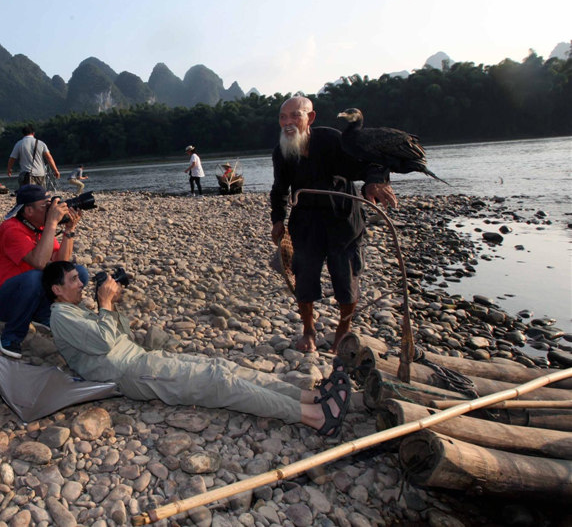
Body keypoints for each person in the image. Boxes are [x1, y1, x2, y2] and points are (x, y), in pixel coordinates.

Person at [43, 260, 350, 436]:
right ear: (57, 289)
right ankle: (315, 417)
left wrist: (112, 304)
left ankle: (311, 396)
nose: (81, 284)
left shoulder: (75, 310)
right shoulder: (61, 317)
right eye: (74, 280)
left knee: (224, 368)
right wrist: (105, 303)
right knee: (218, 383)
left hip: (142, 360)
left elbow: (120, 333)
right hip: (131, 374)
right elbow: (104, 341)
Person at [270, 95, 397, 354]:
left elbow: (371, 161)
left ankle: (342, 331)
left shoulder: (333, 140)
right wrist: (278, 219)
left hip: (343, 220)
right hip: (306, 222)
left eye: (295, 115)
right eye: (283, 117)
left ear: (310, 118)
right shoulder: (282, 150)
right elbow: (280, 188)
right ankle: (309, 330)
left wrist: (374, 182)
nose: (287, 122)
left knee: (346, 279)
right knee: (303, 278)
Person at [0, 185, 89, 359]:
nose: (51, 209)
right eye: (45, 206)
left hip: (30, 294)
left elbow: (61, 265)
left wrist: (69, 230)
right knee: (35, 278)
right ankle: (11, 335)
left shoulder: (39, 229)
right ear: (29, 210)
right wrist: (52, 223)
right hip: (1, 300)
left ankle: (44, 315)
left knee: (77, 274)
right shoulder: (11, 229)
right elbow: (40, 263)